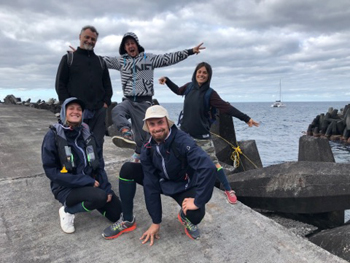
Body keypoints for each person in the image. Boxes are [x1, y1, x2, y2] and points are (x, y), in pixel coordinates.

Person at [102, 105, 217, 244]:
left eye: (160, 122)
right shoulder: (147, 146)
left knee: (196, 215)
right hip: (161, 181)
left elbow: (208, 168)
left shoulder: (183, 141)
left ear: (167, 122)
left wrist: (198, 200)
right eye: (152, 124)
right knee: (128, 169)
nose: (157, 128)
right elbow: (150, 184)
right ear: (147, 127)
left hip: (183, 185)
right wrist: (156, 222)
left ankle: (184, 216)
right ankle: (127, 219)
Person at [158, 62, 259, 204]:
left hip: (202, 137)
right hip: (185, 134)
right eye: (199, 72)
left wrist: (246, 118)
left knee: (214, 164)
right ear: (195, 73)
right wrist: (167, 80)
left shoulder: (210, 94)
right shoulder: (188, 87)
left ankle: (228, 189)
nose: (201, 74)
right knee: (178, 158)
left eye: (205, 73)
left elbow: (226, 108)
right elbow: (178, 90)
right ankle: (179, 183)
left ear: (208, 76)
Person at [103, 32, 205, 162]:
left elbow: (168, 58)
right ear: (124, 47)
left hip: (144, 102)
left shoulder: (148, 58)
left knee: (144, 136)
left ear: (137, 45)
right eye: (127, 44)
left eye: (132, 43)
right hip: (128, 101)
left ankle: (141, 153)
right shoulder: (120, 61)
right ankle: (126, 133)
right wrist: (81, 54)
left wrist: (190, 51)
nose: (130, 46)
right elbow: (101, 60)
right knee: (117, 110)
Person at [41, 97, 122, 234]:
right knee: (99, 197)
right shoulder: (52, 135)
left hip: (90, 184)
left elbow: (99, 165)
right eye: (71, 108)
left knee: (117, 214)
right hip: (66, 188)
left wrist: (107, 189)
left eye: (79, 109)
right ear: (63, 112)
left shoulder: (87, 134)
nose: (76, 111)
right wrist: (87, 181)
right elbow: (51, 171)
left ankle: (95, 197)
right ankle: (67, 210)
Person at [56, 25, 113, 149]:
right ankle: (78, 169)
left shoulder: (100, 62)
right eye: (87, 37)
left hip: (98, 110)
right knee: (75, 144)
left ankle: (97, 169)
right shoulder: (68, 59)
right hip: (77, 111)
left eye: (93, 39)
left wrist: (106, 103)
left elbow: (107, 85)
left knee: (97, 144)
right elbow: (60, 84)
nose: (89, 41)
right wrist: (68, 105)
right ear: (80, 37)